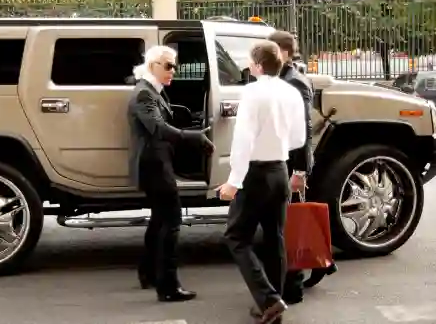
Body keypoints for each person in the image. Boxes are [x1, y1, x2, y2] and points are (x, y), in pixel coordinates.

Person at [218, 40, 306, 324]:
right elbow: (298, 140)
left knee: (236, 237)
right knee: (274, 238)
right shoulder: (291, 92)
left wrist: (233, 181)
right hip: (279, 170)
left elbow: (243, 140)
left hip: (255, 174)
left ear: (256, 65)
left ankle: (269, 299)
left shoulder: (252, 93)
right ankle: (273, 302)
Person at [127, 45, 215, 302]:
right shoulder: (144, 94)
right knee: (172, 222)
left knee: (159, 221)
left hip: (156, 163)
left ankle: (149, 274)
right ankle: (168, 287)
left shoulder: (152, 91)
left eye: (174, 65)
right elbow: (158, 128)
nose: (173, 71)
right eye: (168, 66)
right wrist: (194, 137)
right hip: (153, 166)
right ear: (152, 65)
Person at [267, 30, 338, 303]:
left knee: (290, 227)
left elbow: (304, 131)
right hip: (284, 161)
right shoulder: (284, 78)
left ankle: (293, 286)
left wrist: (299, 172)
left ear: (283, 52)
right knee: (285, 224)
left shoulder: (294, 82)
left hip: (291, 163)